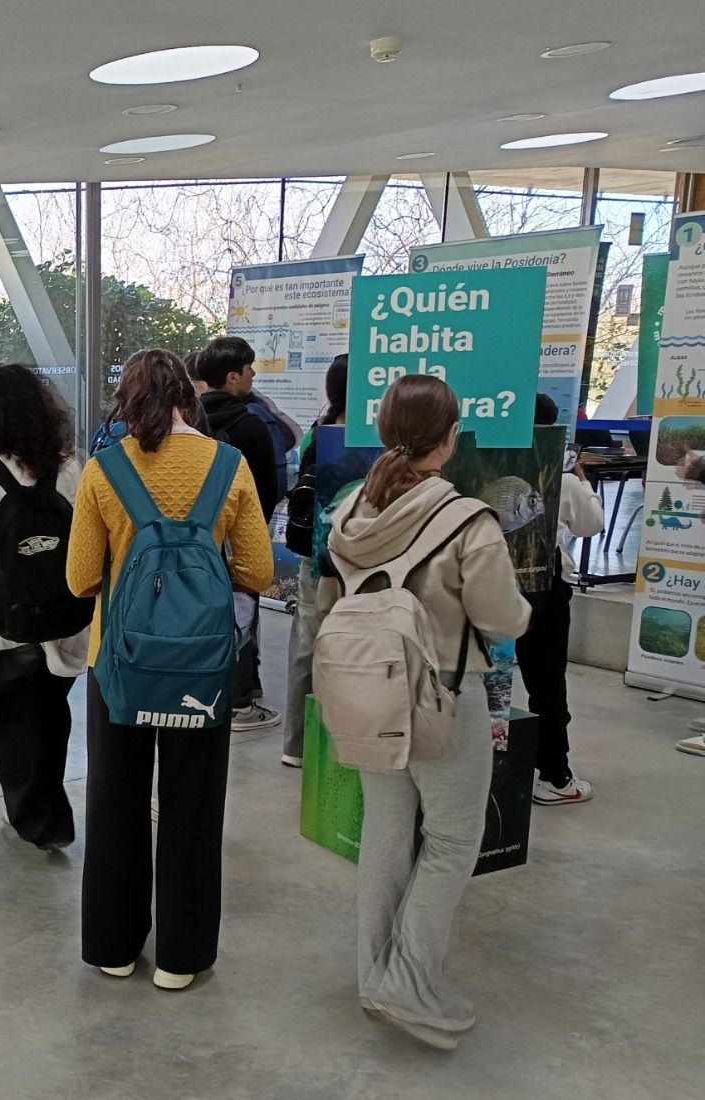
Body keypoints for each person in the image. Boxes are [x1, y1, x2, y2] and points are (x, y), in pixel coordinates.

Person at [320, 374, 530, 1048]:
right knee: (450, 843)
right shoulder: (467, 520)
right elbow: (502, 617)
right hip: (443, 693)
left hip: (367, 690)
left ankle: (375, 973)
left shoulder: (352, 512)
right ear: (446, 440)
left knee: (386, 830)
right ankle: (407, 984)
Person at [67, 349, 273, 989]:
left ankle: (113, 945)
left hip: (120, 663)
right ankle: (182, 957)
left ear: (127, 404)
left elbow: (79, 579)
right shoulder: (230, 466)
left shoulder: (104, 471)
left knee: (114, 800)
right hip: (202, 666)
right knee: (193, 805)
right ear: (189, 396)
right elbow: (260, 572)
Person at [0, 364, 86, 849]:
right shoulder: (70, 466)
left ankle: (39, 821)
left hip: (5, 622)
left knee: (5, 717)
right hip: (64, 617)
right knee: (51, 716)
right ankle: (46, 813)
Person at [518, 394, 603, 805]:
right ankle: (554, 775)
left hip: (488, 580)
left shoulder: (487, 464)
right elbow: (590, 525)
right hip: (543, 589)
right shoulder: (564, 478)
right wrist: (582, 479)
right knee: (547, 682)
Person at [196, 336, 280, 733]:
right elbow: (267, 486)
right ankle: (242, 697)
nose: (254, 374)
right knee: (243, 611)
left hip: (199, 540)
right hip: (241, 536)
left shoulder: (190, 424)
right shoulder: (253, 424)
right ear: (233, 377)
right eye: (249, 369)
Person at [281, 354, 348, 767]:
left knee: (306, 639)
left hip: (314, 553)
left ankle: (296, 744)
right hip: (353, 555)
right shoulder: (369, 435)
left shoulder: (316, 432)